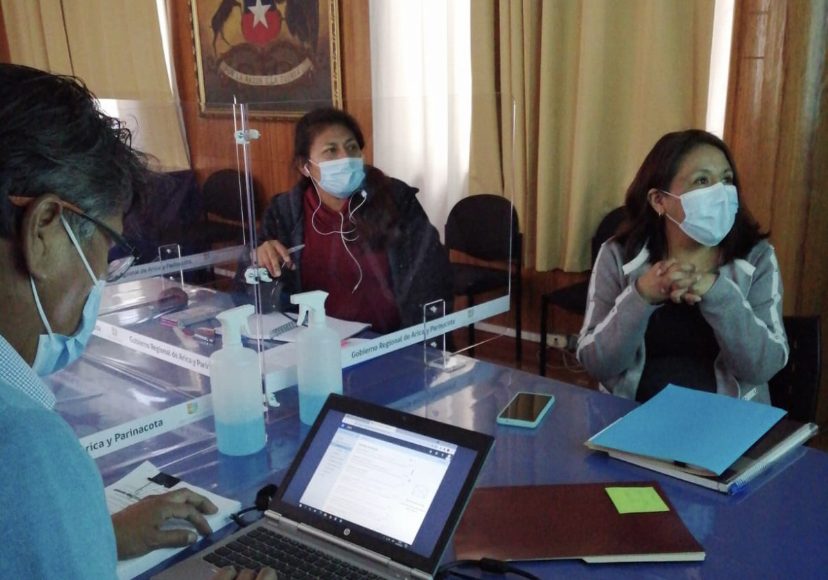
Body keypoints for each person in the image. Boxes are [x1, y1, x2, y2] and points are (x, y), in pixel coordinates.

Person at [0, 64, 273, 580]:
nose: (103, 274)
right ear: (43, 230)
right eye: (106, 247)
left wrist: (89, 535)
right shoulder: (22, 449)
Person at [576, 129, 788, 403]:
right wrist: (641, 295)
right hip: (634, 413)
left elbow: (763, 367)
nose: (720, 192)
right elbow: (596, 363)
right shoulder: (618, 254)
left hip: (728, 419)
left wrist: (717, 292)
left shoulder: (756, 257)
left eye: (726, 179)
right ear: (659, 200)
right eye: (702, 180)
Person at [252, 107, 452, 332]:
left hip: (388, 340)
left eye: (351, 147)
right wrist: (259, 257)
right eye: (331, 150)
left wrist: (421, 341)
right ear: (305, 166)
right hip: (313, 339)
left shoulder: (395, 199)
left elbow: (432, 276)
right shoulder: (284, 212)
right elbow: (254, 293)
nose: (345, 158)